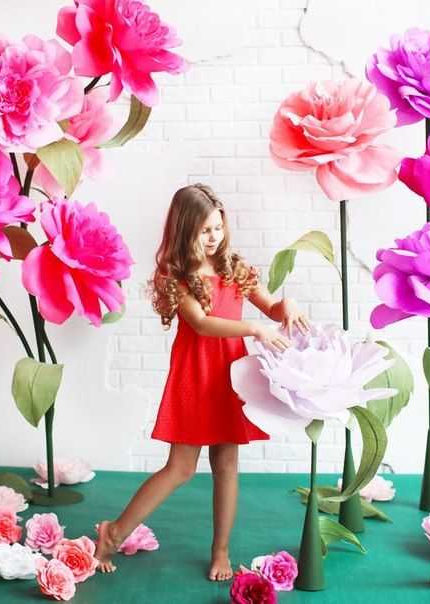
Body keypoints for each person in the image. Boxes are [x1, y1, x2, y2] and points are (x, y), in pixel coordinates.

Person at [95, 183, 309, 580]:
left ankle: (220, 551)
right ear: (185, 231)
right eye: (204, 230)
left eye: (218, 228)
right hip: (196, 373)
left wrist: (288, 305)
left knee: (227, 463)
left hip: (232, 374)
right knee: (180, 468)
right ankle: (114, 532)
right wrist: (254, 329)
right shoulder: (177, 276)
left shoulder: (234, 267)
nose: (214, 237)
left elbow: (271, 306)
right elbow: (202, 323)